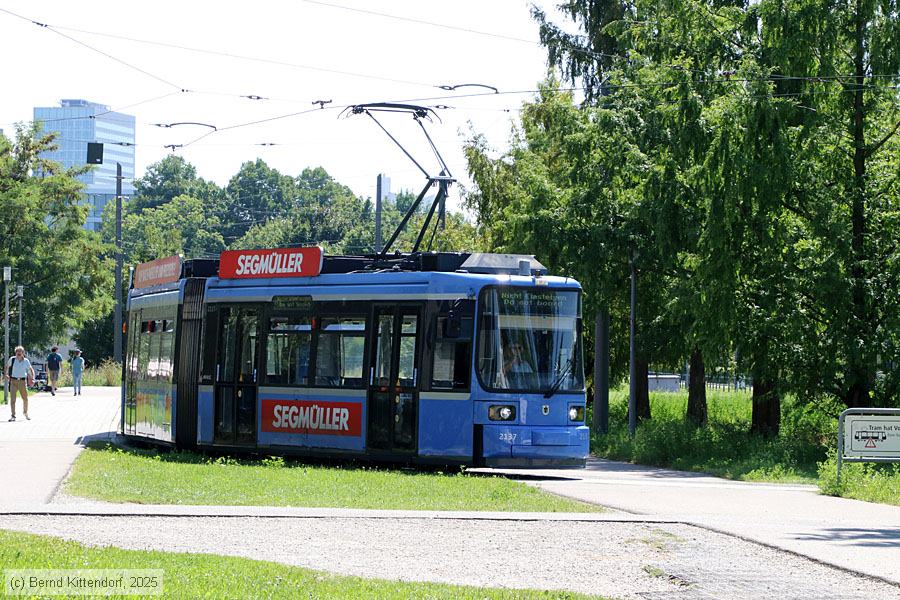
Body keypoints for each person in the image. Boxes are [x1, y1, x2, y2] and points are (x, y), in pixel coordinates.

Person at [6, 346, 35, 421]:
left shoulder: (26, 361)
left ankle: (25, 413)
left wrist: (32, 378)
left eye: (20, 352)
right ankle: (13, 415)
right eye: (17, 352)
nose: (18, 353)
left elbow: (30, 369)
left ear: (23, 353)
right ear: (15, 353)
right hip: (13, 381)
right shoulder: (12, 359)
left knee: (25, 398)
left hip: (22, 381)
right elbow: (7, 366)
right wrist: (6, 374)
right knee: (13, 399)